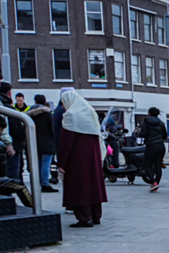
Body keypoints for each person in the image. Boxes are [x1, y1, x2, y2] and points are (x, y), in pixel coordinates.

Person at [57, 90, 108, 228]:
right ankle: (96, 215)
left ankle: (85, 217)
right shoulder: (89, 112)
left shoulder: (71, 115)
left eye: (63, 103)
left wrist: (61, 162)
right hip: (93, 156)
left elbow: (66, 143)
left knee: (79, 186)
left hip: (76, 159)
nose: (63, 106)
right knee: (93, 184)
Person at [26, 95, 57, 193]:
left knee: (38, 164)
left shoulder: (29, 114)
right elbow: (52, 129)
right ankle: (45, 184)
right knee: (46, 164)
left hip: (34, 142)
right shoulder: (47, 114)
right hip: (47, 142)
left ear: (35, 102)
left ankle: (37, 183)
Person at [139, 107, 167, 192]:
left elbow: (143, 133)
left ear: (149, 113)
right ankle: (156, 184)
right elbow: (165, 135)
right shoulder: (161, 123)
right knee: (158, 166)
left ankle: (154, 183)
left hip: (151, 145)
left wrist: (139, 134)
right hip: (161, 146)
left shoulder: (146, 121)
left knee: (147, 165)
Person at [0, 82, 25, 180]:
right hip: (13, 144)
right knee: (12, 175)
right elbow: (6, 126)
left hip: (9, 142)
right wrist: (9, 143)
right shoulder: (8, 109)